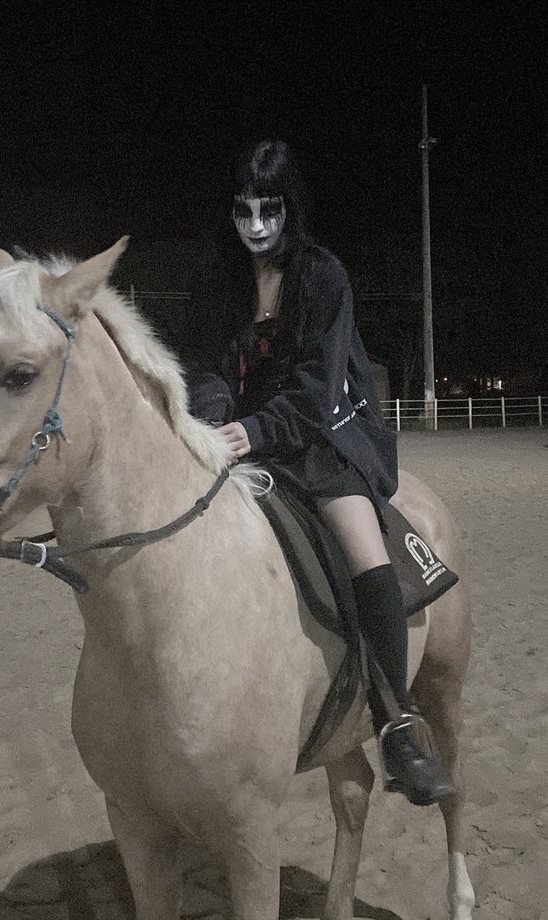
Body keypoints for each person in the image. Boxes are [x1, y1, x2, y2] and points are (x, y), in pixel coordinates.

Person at [181, 139, 452, 806]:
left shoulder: (324, 277)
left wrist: (252, 431)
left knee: (365, 555)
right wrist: (218, 424)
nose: (255, 226)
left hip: (325, 433)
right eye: (243, 211)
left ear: (288, 208)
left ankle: (397, 726)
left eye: (268, 210)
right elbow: (207, 368)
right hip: (242, 437)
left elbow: (317, 389)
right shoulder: (218, 284)